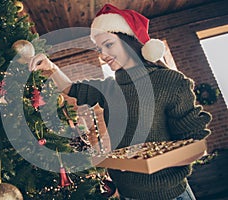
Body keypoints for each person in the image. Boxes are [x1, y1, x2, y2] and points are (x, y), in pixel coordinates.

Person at [29, 4, 212, 200]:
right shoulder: (109, 88)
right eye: (99, 48)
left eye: (108, 45)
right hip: (126, 194)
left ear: (129, 40)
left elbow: (194, 142)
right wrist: (50, 67)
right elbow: (72, 90)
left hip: (169, 195)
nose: (103, 54)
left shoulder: (170, 82)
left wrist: (152, 162)